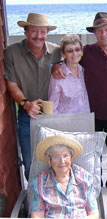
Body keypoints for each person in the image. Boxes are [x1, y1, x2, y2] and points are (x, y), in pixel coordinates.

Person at [53, 12, 107, 204]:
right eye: (99, 31)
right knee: (91, 156)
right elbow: (68, 57)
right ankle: (95, 186)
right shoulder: (87, 52)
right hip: (91, 117)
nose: (103, 34)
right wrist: (56, 65)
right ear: (94, 33)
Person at [4, 13, 61, 180]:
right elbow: (12, 84)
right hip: (26, 113)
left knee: (56, 159)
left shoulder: (57, 53)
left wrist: (58, 66)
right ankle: (35, 198)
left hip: (52, 113)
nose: (39, 36)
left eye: (43, 32)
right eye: (34, 31)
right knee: (30, 163)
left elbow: (76, 60)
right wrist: (25, 103)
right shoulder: (11, 53)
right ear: (25, 32)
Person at [28, 135, 99, 218]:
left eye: (65, 156)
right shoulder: (38, 183)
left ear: (71, 158)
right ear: (49, 160)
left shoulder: (84, 178)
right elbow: (37, 216)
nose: (62, 161)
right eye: (56, 157)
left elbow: (94, 214)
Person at [48, 34, 90, 114]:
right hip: (66, 123)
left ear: (81, 52)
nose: (74, 54)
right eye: (70, 51)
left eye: (77, 49)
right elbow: (53, 107)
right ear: (63, 54)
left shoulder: (84, 71)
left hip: (85, 121)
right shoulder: (57, 76)